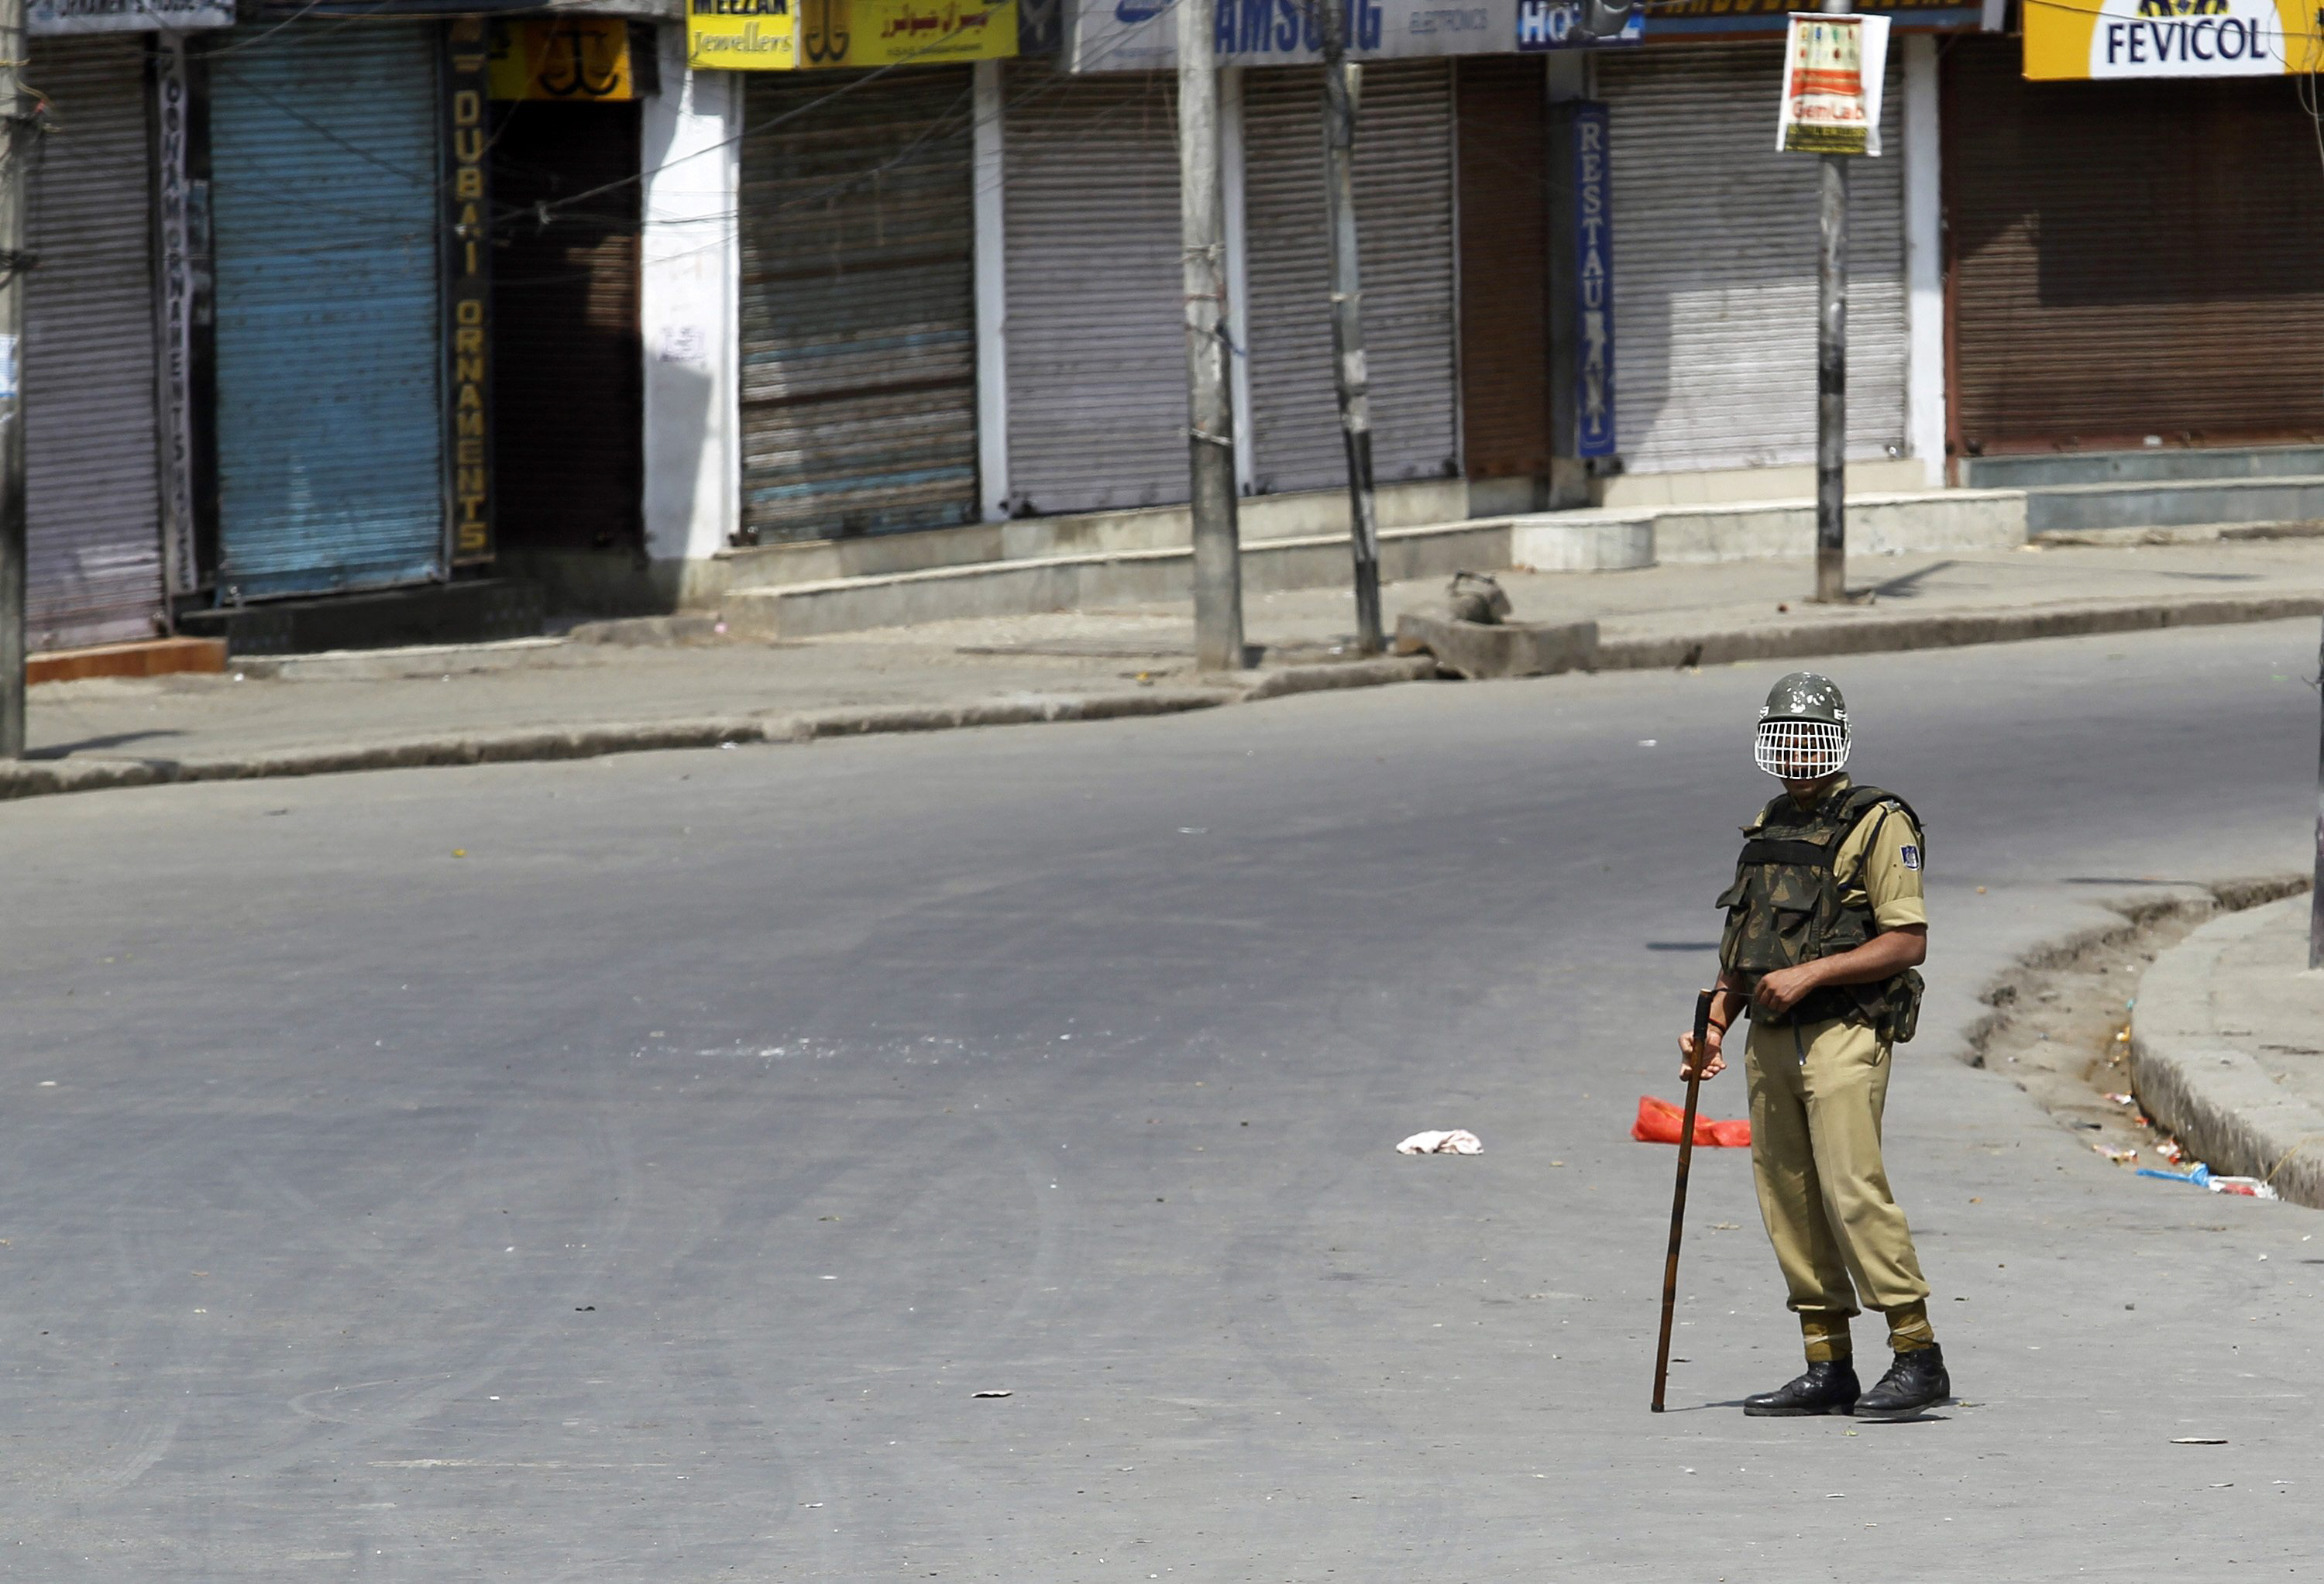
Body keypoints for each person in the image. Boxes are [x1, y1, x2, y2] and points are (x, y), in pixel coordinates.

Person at [1676, 672, 1951, 1421]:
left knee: (1852, 1188)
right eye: (1786, 738)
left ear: (1836, 740)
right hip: (1769, 1036)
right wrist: (1712, 1025)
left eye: (1812, 738)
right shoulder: (1768, 826)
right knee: (1787, 1196)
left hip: (1843, 1029)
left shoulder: (1879, 823)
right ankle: (1827, 1359)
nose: (1799, 753)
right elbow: (1747, 949)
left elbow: (1908, 940)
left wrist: (1812, 976)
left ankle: (1916, 1350)